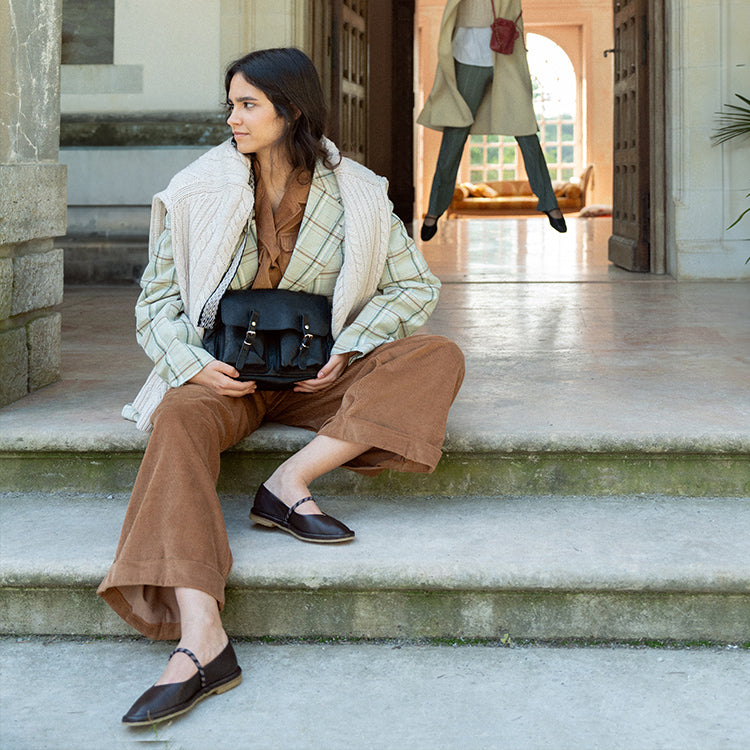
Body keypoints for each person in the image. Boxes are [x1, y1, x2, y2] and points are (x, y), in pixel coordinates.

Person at [98, 47, 465, 726]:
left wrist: (352, 344)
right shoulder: (199, 187)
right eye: (231, 104)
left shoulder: (354, 190)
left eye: (248, 105)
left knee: (435, 355)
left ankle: (288, 483)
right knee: (178, 418)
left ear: (289, 109)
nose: (233, 118)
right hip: (226, 374)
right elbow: (156, 304)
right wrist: (189, 364)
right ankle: (201, 638)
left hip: (317, 372)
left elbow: (414, 285)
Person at [418, 0, 567, 240]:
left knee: (526, 131)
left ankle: (549, 203)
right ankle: (434, 210)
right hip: (467, 55)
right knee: (454, 136)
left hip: (505, 52)